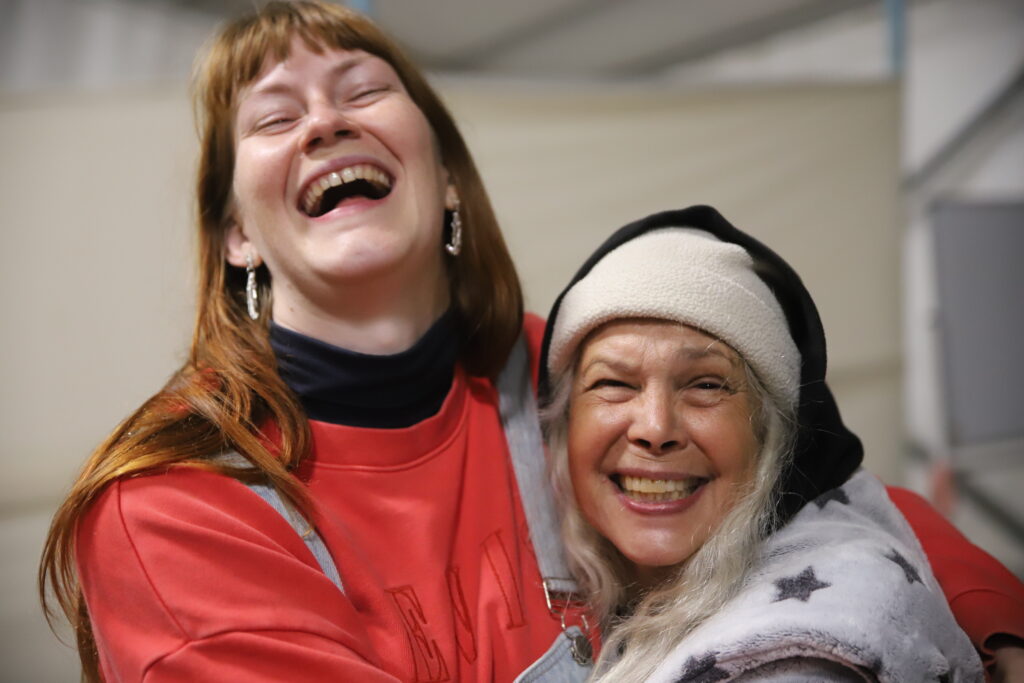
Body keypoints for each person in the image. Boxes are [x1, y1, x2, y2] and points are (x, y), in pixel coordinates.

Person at [36, 3, 1022, 681]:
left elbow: (821, 481)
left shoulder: (574, 374)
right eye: (276, 116)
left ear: (450, 178)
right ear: (236, 235)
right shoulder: (174, 507)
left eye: (361, 91)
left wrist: (993, 618)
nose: (326, 121)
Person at [539, 205, 1022, 681]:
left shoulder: (809, 644)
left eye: (706, 385)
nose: (656, 427)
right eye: (614, 384)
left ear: (770, 432)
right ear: (561, 423)